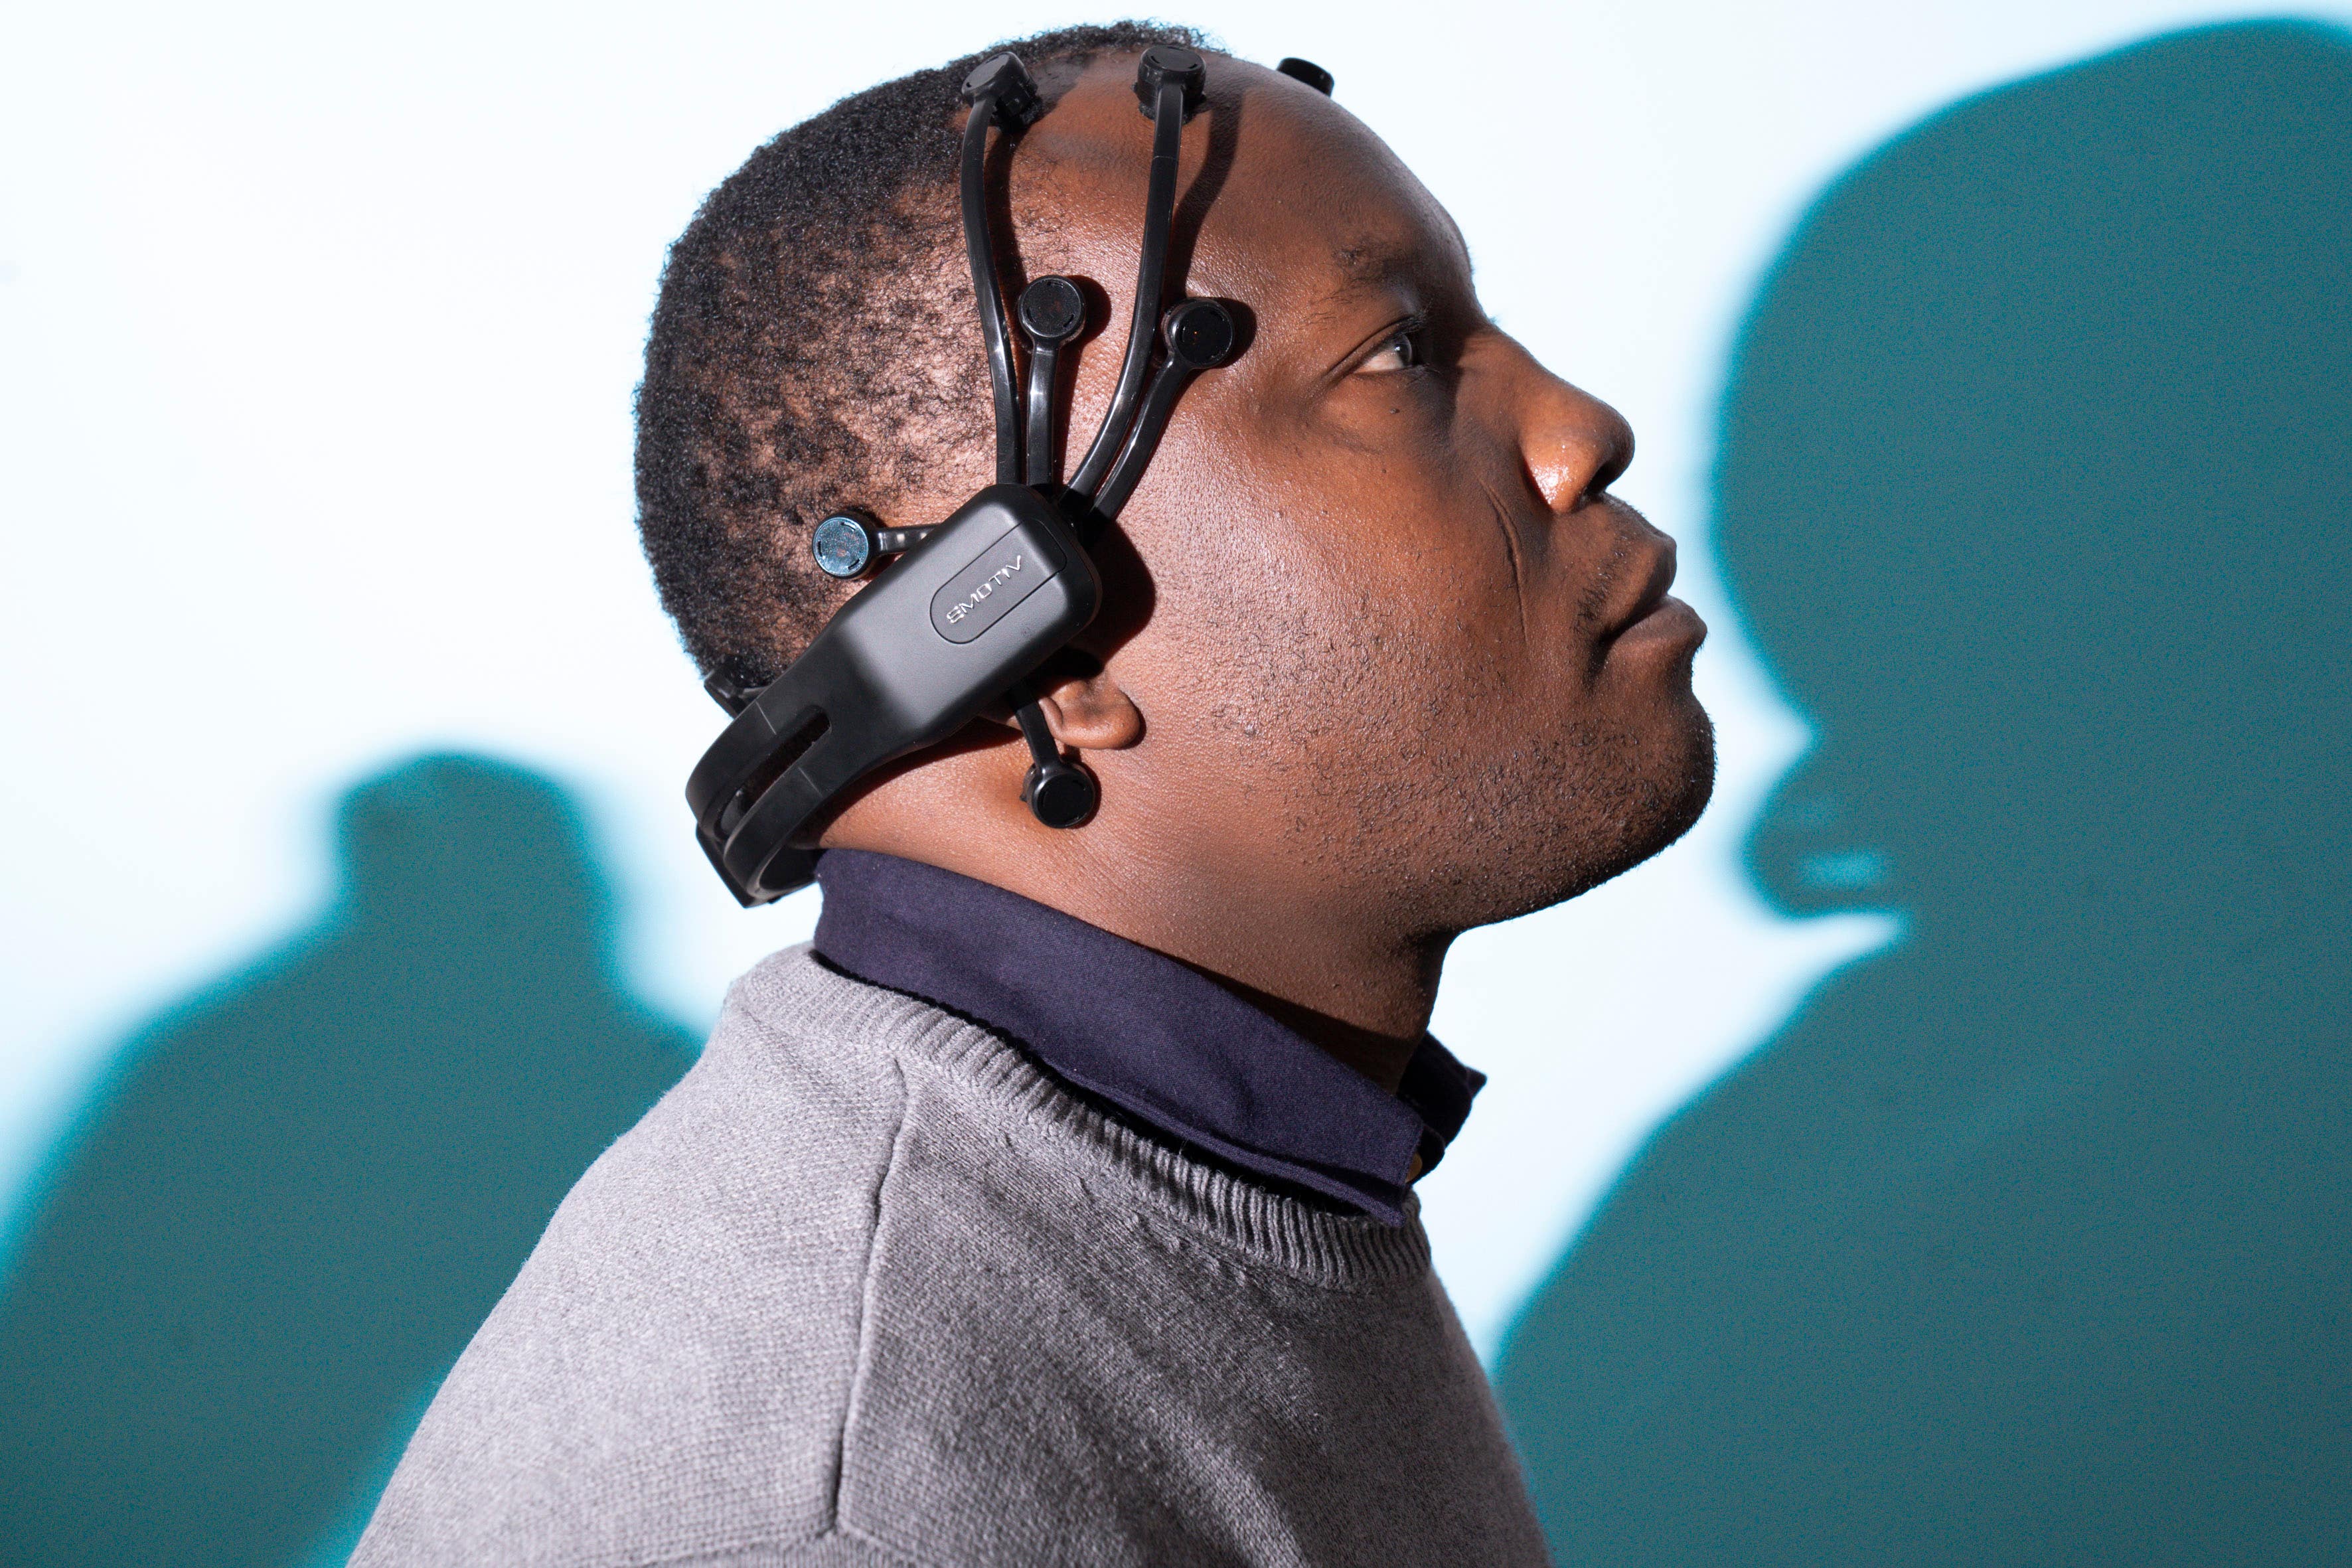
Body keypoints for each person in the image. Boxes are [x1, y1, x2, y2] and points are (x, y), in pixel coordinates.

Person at [355, 21, 1711, 1566]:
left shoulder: (1235, 1159)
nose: (1579, 428)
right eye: (1396, 354)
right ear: (1023, 643)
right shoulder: (837, 1509)